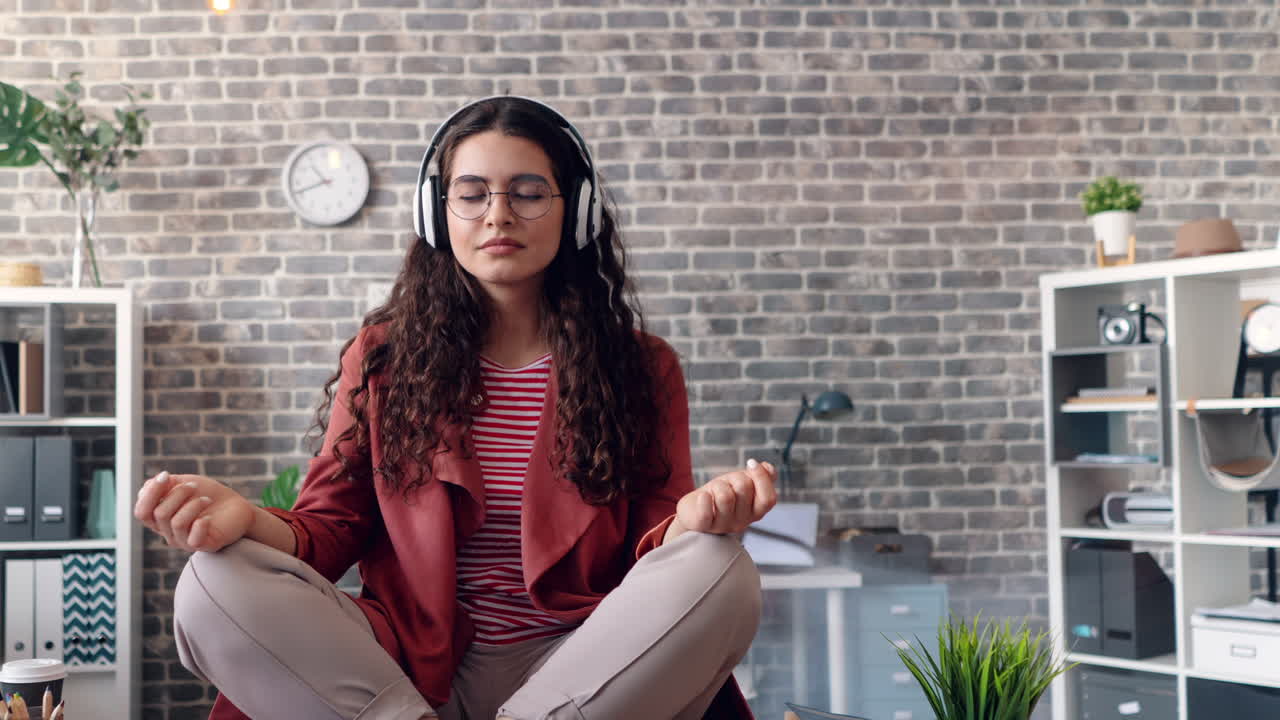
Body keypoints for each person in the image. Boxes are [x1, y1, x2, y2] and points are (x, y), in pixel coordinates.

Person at [135, 96, 777, 720]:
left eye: (527, 192)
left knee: (719, 565)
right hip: (405, 668)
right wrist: (243, 518)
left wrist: (693, 520)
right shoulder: (385, 357)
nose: (498, 215)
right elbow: (328, 532)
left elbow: (654, 553)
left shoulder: (641, 365)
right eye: (472, 194)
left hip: (582, 664)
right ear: (438, 213)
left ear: (574, 211)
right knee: (211, 581)